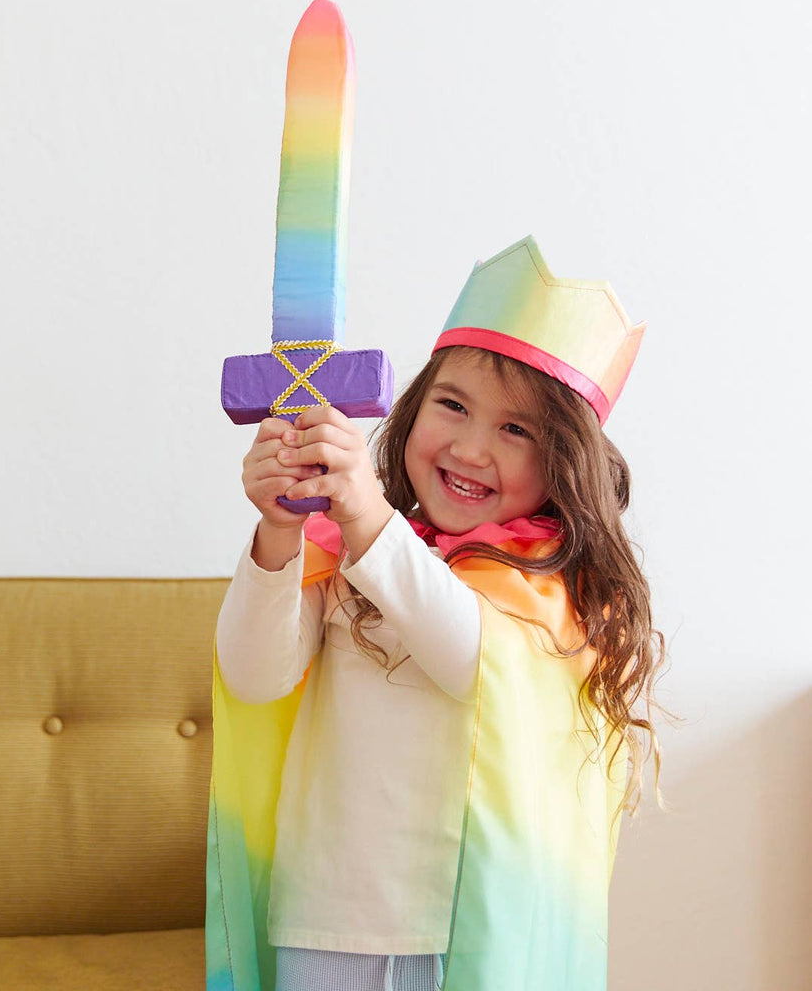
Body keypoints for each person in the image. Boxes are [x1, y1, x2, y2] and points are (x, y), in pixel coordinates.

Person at [205, 236, 665, 991]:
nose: (471, 447)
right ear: (414, 407)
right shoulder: (348, 552)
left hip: (462, 931)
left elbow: (472, 659)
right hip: (325, 914)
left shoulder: (548, 583)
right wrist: (282, 529)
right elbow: (254, 680)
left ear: (565, 461)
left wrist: (364, 519)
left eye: (516, 430)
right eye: (452, 405)